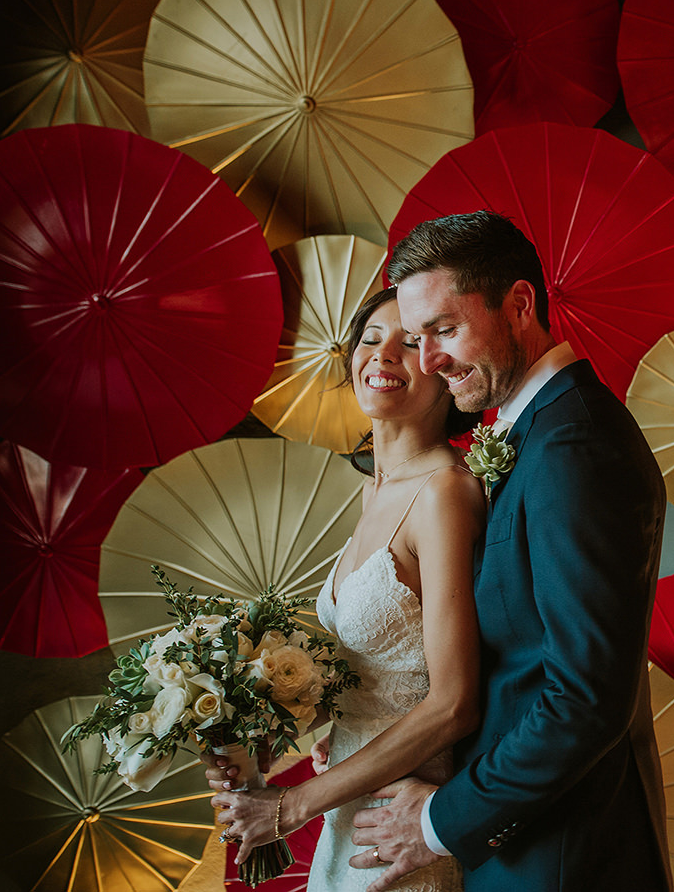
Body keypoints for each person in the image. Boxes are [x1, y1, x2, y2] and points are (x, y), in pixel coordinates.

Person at [349, 210, 671, 892]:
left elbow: (585, 697)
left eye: (443, 330)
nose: (430, 360)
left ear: (519, 304)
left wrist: (438, 820)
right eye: (416, 337)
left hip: (562, 858)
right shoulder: (533, 432)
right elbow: (514, 654)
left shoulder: (573, 445)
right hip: (527, 844)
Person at [209, 286, 488, 892]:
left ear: (444, 368)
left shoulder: (443, 494)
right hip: (346, 807)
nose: (382, 355)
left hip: (399, 830)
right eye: (370, 339)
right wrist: (265, 751)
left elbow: (453, 704)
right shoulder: (373, 492)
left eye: (409, 343)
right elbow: (376, 677)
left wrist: (289, 807)